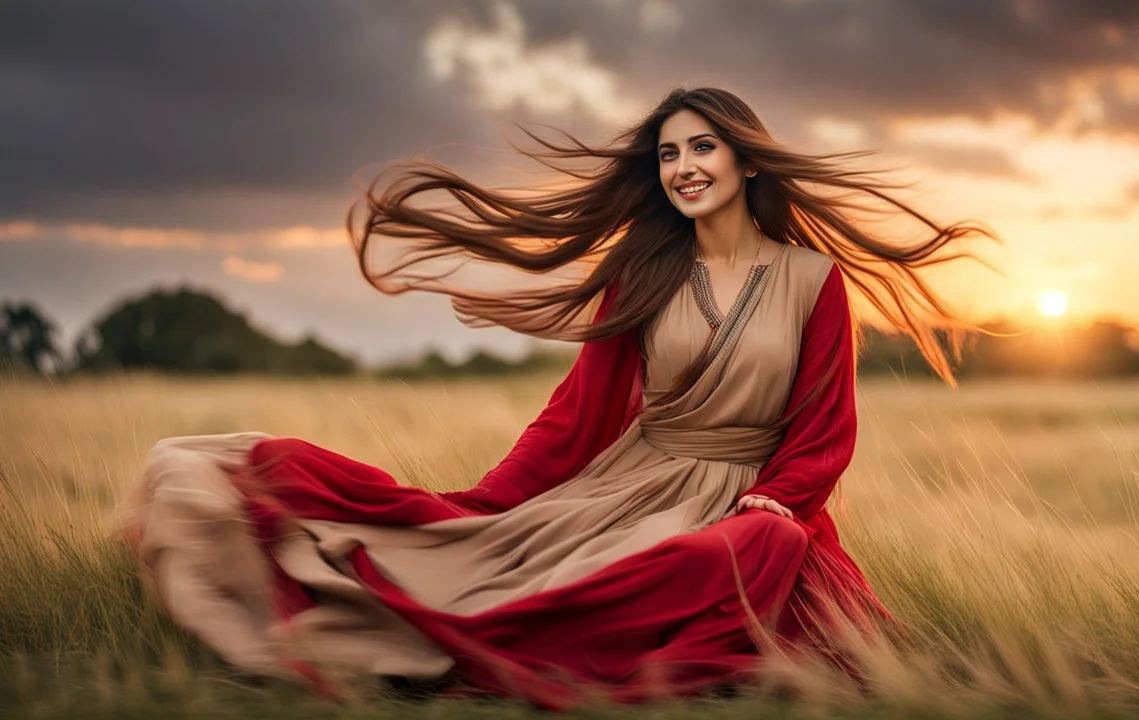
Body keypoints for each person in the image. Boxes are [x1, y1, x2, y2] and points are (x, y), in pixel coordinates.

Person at [122, 87, 988, 709]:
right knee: (496, 578)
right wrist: (485, 505)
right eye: (668, 153)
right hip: (626, 487)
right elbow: (578, 415)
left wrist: (776, 505)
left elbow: (826, 429)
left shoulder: (812, 279)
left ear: (745, 157)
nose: (683, 167)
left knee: (742, 576)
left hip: (756, 498)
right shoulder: (644, 271)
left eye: (701, 147)